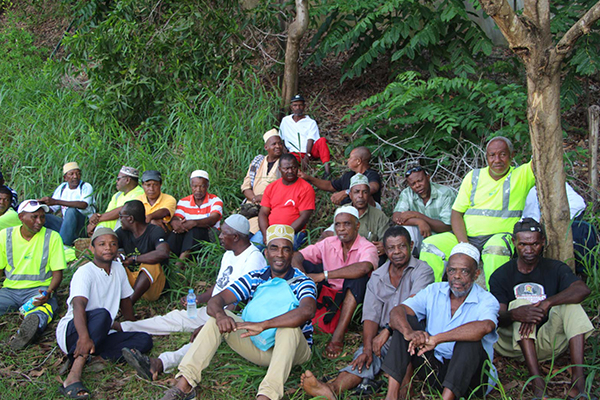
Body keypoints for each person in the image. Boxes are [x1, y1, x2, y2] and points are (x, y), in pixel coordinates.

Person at [156, 224, 317, 400]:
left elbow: (307, 310)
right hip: (258, 346)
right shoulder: (256, 277)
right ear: (266, 253)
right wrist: (220, 316)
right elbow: (216, 301)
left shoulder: (303, 282)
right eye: (274, 248)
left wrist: (263, 325)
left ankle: (267, 396)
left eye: (286, 250)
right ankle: (184, 385)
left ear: (292, 254)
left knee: (289, 329)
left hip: (293, 351)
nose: (279, 254)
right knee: (214, 321)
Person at [118, 215, 266, 381]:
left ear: (236, 237)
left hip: (231, 317)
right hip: (215, 309)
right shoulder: (230, 253)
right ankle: (123, 328)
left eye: (224, 234)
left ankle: (158, 364)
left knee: (201, 340)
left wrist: (210, 324)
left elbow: (240, 302)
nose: (220, 237)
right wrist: (199, 299)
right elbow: (220, 285)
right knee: (174, 318)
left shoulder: (253, 259)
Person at [301, 226, 434, 399]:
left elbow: (412, 309)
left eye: (401, 246)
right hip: (382, 336)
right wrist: (368, 347)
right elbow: (371, 316)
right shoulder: (378, 276)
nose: (397, 252)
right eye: (391, 248)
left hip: (412, 332)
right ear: (384, 250)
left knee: (400, 340)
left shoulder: (423, 271)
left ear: (412, 245)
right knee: (364, 358)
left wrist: (387, 331)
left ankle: (402, 386)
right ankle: (332, 389)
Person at [489, 218, 595, 400]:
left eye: (534, 244)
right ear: (514, 243)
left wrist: (547, 303)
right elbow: (495, 318)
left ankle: (579, 384)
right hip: (513, 345)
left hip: (548, 341)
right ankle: (538, 384)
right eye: (523, 244)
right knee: (520, 304)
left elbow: (582, 290)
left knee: (571, 306)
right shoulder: (501, 275)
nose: (529, 250)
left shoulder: (555, 268)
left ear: (543, 242)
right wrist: (515, 314)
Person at [381, 243, 500, 400]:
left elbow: (485, 326)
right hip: (435, 369)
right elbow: (398, 311)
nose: (456, 276)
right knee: (405, 322)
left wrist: (437, 339)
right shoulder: (434, 291)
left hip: (471, 377)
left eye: (464, 271)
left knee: (470, 341)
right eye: (452, 270)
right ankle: (392, 396)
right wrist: (409, 332)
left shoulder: (486, 300)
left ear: (476, 274)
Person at [420, 136, 536, 285]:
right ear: (486, 157)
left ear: (512, 155)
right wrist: (464, 244)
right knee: (430, 245)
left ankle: (495, 299)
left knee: (496, 250)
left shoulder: (522, 175)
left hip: (499, 236)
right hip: (467, 237)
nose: (497, 160)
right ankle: (429, 295)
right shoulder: (473, 176)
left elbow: (542, 155)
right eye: (492, 155)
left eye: (503, 154)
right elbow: (457, 213)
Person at [56, 227, 152, 400]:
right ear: (92, 248)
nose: (108, 248)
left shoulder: (118, 268)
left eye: (113, 244)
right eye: (102, 244)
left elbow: (125, 301)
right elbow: (78, 306)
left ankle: (97, 358)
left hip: (101, 332)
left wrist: (131, 325)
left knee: (144, 340)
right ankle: (74, 374)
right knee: (102, 315)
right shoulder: (85, 272)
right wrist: (84, 338)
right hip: (75, 332)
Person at [292, 206, 379, 359]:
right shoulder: (328, 243)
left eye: (347, 224)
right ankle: (300, 317)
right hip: (328, 293)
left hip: (354, 298)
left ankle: (337, 337)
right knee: (303, 265)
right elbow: (296, 256)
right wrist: (303, 278)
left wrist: (324, 275)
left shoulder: (367, 246)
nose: (341, 229)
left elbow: (365, 267)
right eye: (338, 224)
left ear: (357, 226)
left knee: (358, 279)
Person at [0, 200, 65, 350]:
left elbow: (57, 274)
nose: (39, 221)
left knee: (45, 308)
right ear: (21, 217)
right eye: (34, 217)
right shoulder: (5, 236)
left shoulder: (52, 237)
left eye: (42, 217)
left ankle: (29, 330)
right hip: (9, 291)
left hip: (39, 290)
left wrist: (49, 292)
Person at [253, 153, 315, 250]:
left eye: (293, 168)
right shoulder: (271, 187)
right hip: (270, 230)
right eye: (286, 168)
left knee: (279, 253)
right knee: (252, 250)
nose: (290, 171)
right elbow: (263, 213)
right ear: (280, 169)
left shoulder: (306, 188)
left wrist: (283, 235)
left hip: (293, 232)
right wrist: (266, 234)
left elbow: (304, 217)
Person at [319, 174, 390, 258]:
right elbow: (337, 241)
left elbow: (385, 242)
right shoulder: (342, 212)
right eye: (357, 192)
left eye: (365, 192)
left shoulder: (379, 216)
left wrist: (383, 246)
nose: (360, 196)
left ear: (369, 195)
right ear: (350, 195)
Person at [392, 164, 455, 257]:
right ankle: (404, 262)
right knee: (405, 229)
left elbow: (447, 226)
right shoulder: (407, 193)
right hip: (421, 236)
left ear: (428, 177)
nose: (417, 185)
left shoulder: (445, 193)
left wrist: (418, 215)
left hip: (442, 238)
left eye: (420, 181)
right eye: (413, 184)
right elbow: (396, 217)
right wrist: (419, 221)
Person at [116, 200, 170, 304]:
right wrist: (118, 254)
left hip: (152, 287)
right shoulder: (122, 232)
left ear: (130, 219)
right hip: (130, 283)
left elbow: (163, 252)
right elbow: (109, 243)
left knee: (151, 265)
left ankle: (129, 303)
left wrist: (134, 259)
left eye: (121, 216)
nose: (120, 219)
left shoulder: (154, 231)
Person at [168, 170, 223, 266]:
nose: (198, 190)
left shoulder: (215, 200)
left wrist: (193, 223)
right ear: (191, 186)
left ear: (207, 186)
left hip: (209, 238)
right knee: (175, 233)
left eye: (202, 186)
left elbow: (213, 219)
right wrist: (176, 223)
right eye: (195, 186)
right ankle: (165, 260)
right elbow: (177, 217)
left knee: (195, 230)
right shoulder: (183, 202)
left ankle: (179, 265)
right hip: (188, 239)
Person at [300, 146, 381, 206]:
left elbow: (373, 187)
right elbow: (329, 186)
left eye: (350, 158)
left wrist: (347, 192)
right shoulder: (349, 175)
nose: (348, 160)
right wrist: (308, 177)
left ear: (358, 161)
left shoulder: (371, 174)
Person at [41, 162, 95, 246]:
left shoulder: (85, 186)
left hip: (84, 226)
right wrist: (42, 205)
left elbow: (83, 205)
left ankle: (64, 245)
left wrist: (56, 201)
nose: (75, 177)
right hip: (67, 227)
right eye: (72, 174)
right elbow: (53, 209)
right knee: (45, 217)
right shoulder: (62, 188)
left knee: (71, 211)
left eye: (78, 174)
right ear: (65, 177)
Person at [240, 129, 283, 234]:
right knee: (234, 226)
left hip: (270, 207)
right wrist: (255, 199)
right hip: (251, 204)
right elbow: (245, 186)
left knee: (249, 231)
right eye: (274, 144)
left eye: (280, 143)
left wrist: (263, 199)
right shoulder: (258, 161)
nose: (278, 146)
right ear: (266, 147)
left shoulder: (285, 164)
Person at [279, 94, 331, 177]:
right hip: (293, 153)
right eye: (295, 105)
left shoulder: (310, 122)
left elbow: (311, 139)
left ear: (304, 106)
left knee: (322, 140)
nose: (298, 108)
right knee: (291, 163)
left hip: (308, 152)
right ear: (291, 107)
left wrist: (307, 156)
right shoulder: (285, 121)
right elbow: (281, 138)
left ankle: (327, 171)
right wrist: (284, 150)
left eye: (300, 105)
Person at [87, 166, 144, 235]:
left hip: (124, 229)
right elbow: (108, 213)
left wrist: (96, 220)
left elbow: (123, 210)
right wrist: (95, 222)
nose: (116, 181)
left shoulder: (140, 193)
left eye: (118, 179)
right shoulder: (117, 195)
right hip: (110, 229)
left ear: (127, 180)